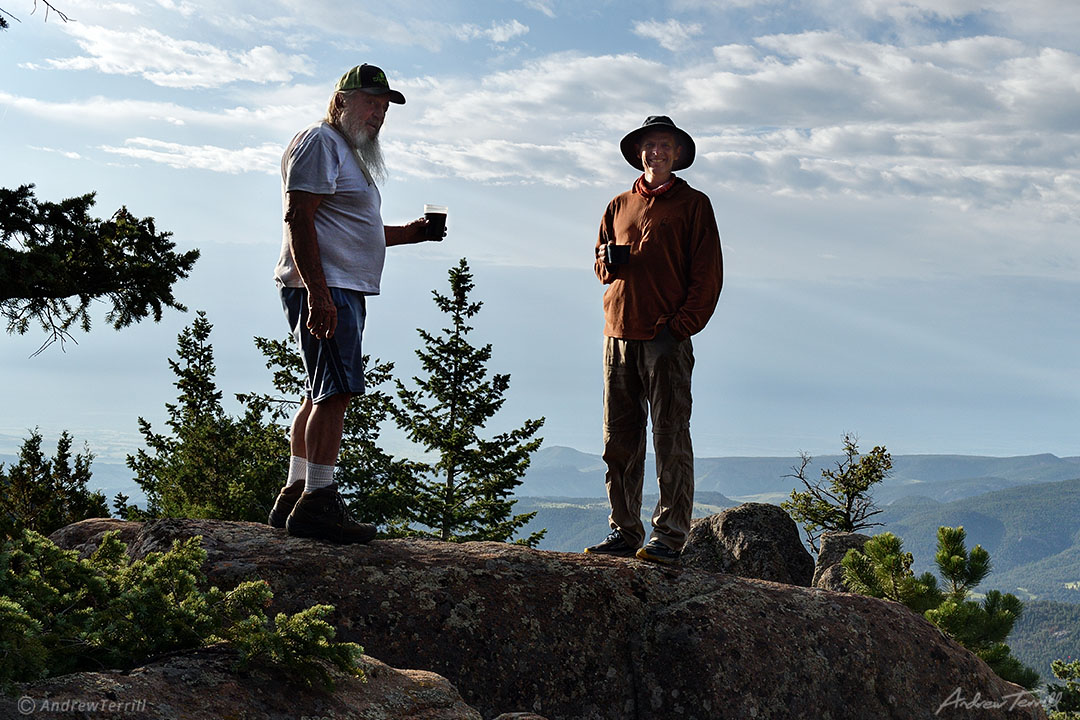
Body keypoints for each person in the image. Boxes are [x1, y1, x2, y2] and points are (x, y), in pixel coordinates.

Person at [266, 63, 444, 543]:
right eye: (371, 102)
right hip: (325, 287)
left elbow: (352, 228)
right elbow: (298, 217)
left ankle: (297, 492)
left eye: (384, 107)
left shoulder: (344, 151)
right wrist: (319, 295)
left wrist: (413, 234)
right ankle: (318, 505)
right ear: (341, 100)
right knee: (337, 391)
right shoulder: (321, 143)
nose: (379, 114)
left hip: (335, 285)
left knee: (319, 390)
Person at [584, 116, 723, 565]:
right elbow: (601, 264)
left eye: (665, 145)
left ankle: (670, 534)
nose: (656, 152)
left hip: (666, 336)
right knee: (618, 440)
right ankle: (624, 531)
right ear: (638, 153)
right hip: (618, 332)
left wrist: (683, 325)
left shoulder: (694, 204)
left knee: (670, 437)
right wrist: (607, 261)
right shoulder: (618, 203)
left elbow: (708, 274)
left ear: (678, 154)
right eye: (649, 145)